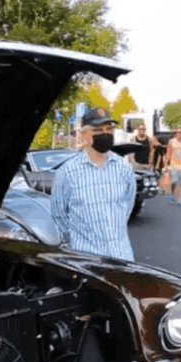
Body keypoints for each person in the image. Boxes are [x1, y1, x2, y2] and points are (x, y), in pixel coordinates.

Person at [50, 107, 137, 261]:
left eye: (109, 128)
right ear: (84, 134)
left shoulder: (124, 169)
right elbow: (59, 215)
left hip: (122, 259)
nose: (105, 133)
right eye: (98, 129)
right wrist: (78, 242)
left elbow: (126, 207)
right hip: (87, 262)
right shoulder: (67, 173)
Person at [165, 127, 181, 206]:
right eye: (178, 132)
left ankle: (179, 200)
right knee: (173, 182)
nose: (179, 134)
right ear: (176, 133)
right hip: (174, 164)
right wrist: (166, 164)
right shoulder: (172, 141)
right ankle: (172, 196)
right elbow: (168, 153)